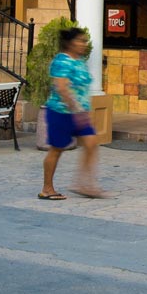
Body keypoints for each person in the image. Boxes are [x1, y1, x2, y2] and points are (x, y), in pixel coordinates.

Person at [40, 26, 106, 199]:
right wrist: (76, 110)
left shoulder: (79, 61)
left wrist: (82, 112)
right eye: (80, 41)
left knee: (91, 143)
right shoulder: (61, 61)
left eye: (84, 41)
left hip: (80, 114)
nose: (84, 44)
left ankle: (84, 184)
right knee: (57, 149)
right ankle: (47, 188)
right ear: (70, 43)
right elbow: (62, 88)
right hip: (61, 112)